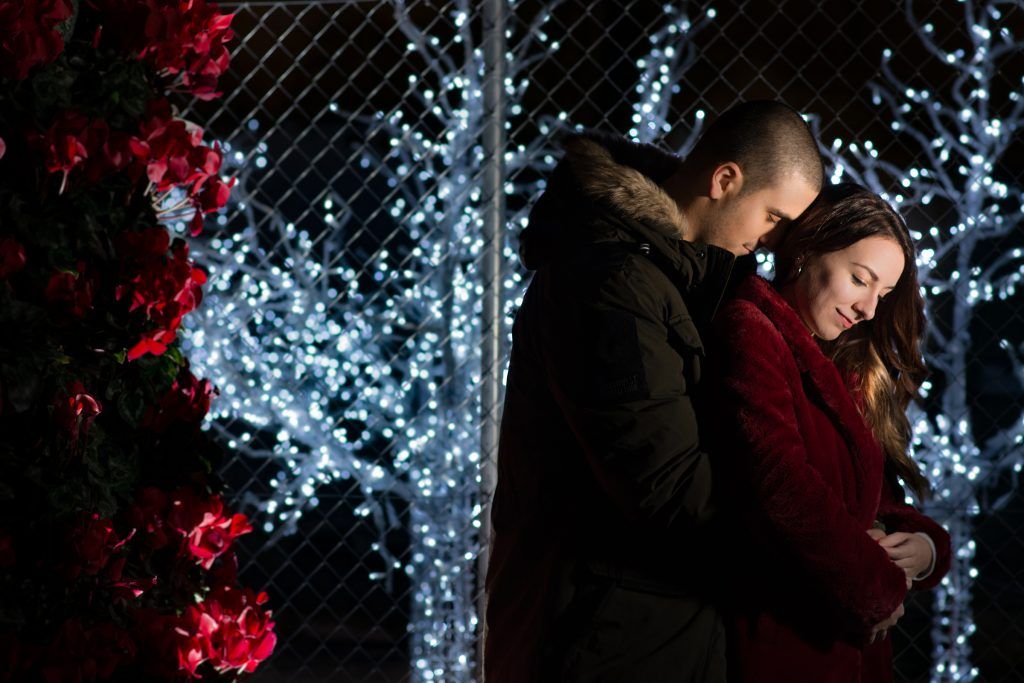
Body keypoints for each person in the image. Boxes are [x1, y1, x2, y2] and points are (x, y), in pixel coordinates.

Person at [483, 100, 822, 682]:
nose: (770, 242)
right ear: (725, 180)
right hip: (599, 636)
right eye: (772, 216)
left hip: (654, 627)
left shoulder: (685, 280)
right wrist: (823, 562)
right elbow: (666, 488)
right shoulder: (612, 283)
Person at [706, 182, 952, 682]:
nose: (868, 310)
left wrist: (924, 548)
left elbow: (872, 498)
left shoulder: (847, 366)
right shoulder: (752, 329)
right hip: (788, 640)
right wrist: (874, 587)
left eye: (882, 295)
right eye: (861, 280)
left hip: (848, 647)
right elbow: (780, 484)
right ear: (811, 246)